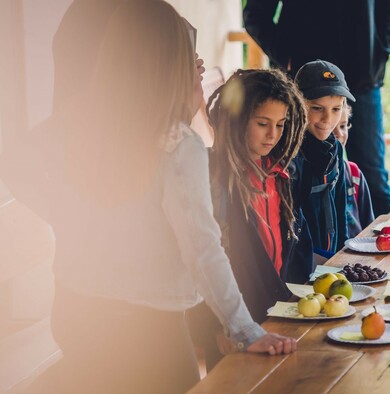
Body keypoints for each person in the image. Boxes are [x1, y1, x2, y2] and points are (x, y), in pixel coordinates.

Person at [31, 2, 295, 393]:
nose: (198, 70)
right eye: (192, 59)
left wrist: (64, 215)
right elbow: (202, 247)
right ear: (164, 63)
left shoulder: (80, 122)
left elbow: (17, 159)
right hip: (147, 327)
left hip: (74, 308)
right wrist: (243, 329)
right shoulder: (176, 144)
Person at [187, 69, 313, 370]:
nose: (274, 135)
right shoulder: (214, 179)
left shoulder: (280, 175)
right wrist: (219, 326)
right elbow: (204, 257)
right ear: (237, 120)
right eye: (262, 124)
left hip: (275, 312)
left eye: (281, 125)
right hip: (232, 323)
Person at [243, 0, 390, 215]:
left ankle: (384, 246)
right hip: (303, 85)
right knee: (298, 182)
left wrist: (378, 55)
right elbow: (255, 13)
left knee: (373, 183)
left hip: (361, 78)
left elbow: (388, 7)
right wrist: (284, 54)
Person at [293, 60, 352, 258]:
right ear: (298, 104)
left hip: (331, 255)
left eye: (336, 109)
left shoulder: (335, 148)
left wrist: (341, 255)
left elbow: (340, 205)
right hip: (301, 259)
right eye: (317, 108)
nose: (327, 119)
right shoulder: (290, 154)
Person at [333, 105, 375, 238]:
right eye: (331, 127)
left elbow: (370, 227)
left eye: (342, 126)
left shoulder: (354, 174)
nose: (339, 134)